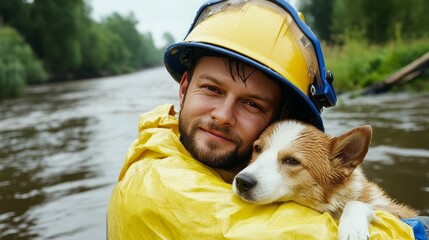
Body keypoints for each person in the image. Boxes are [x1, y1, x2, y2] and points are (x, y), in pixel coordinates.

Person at [107, 0, 418, 239]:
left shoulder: (212, 164)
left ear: (278, 118)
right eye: (212, 89)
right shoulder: (156, 187)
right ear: (184, 87)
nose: (223, 116)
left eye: (251, 104)